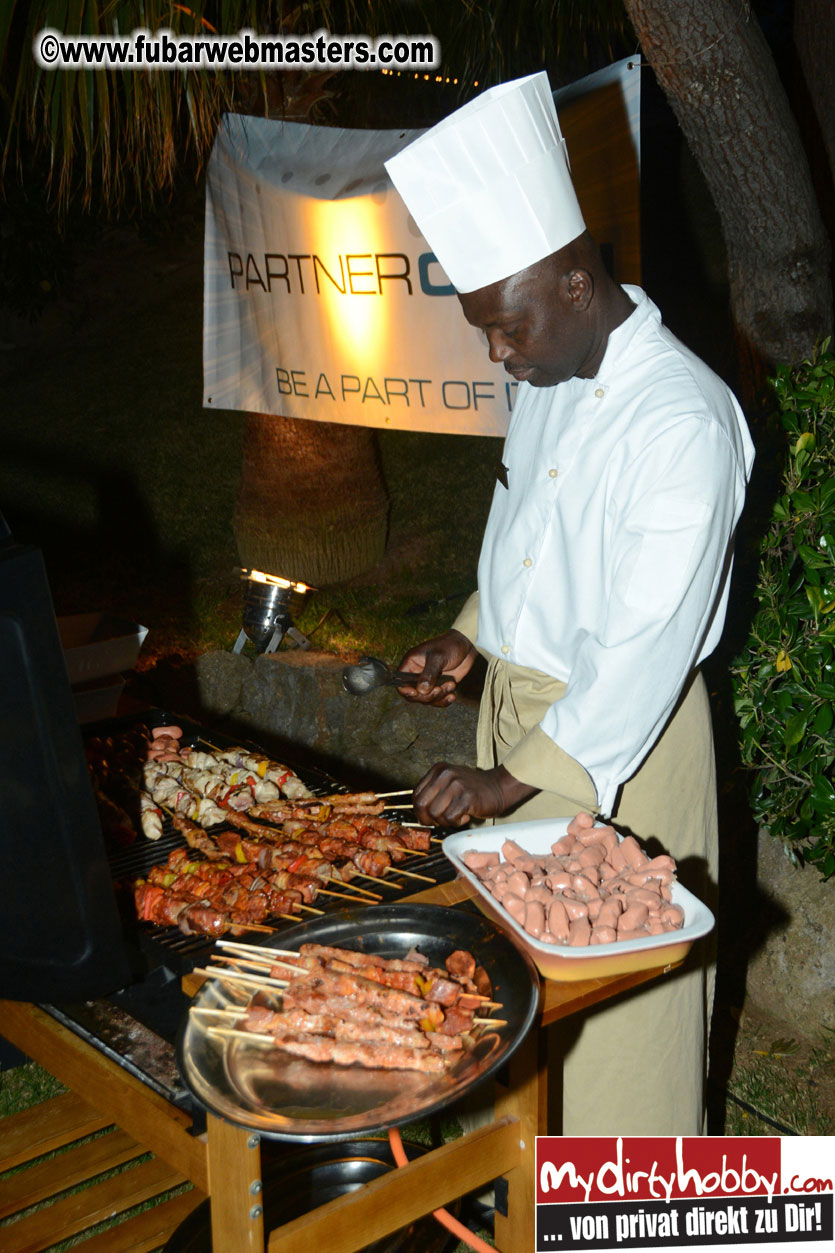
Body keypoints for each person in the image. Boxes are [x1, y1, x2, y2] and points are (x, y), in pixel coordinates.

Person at [385, 72, 754, 1136]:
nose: (497, 352)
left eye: (504, 325)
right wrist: (473, 630)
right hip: (524, 724)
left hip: (614, 749)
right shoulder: (549, 371)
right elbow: (530, 539)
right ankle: (520, 1210)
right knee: (516, 1015)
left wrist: (513, 777)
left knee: (614, 1043)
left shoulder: (682, 420)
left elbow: (640, 650)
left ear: (574, 283)